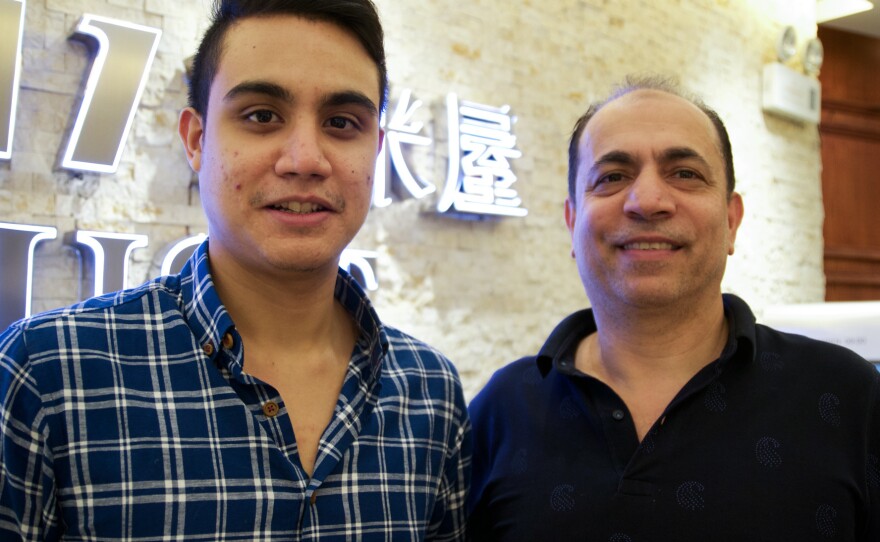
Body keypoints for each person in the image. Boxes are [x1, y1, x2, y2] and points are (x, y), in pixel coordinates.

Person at [0, 1, 471, 539]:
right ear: (196, 140)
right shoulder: (49, 373)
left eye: (342, 123)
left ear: (376, 150)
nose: (305, 159)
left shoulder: (430, 390)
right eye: (262, 116)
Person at [467, 76, 880, 541]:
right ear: (572, 222)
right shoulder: (501, 412)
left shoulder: (847, 397)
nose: (647, 202)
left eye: (685, 173)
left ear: (731, 220)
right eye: (612, 177)